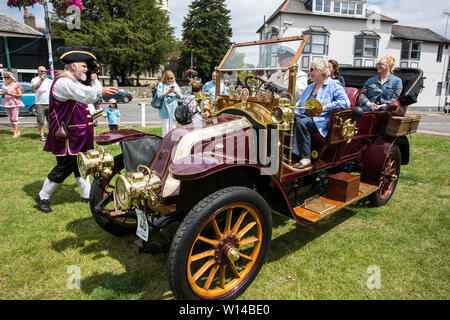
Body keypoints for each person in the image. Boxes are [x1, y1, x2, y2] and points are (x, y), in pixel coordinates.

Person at [35, 46, 118, 213]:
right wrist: (99, 89)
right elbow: (85, 95)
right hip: (67, 135)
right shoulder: (64, 82)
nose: (86, 70)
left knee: (80, 165)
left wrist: (94, 82)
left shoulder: (71, 81)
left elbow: (85, 94)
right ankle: (43, 196)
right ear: (73, 66)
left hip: (77, 133)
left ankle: (87, 194)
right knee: (64, 167)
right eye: (84, 66)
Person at [289, 59, 350, 171]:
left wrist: (327, 106)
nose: (309, 72)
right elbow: (301, 105)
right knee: (286, 119)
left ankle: (306, 158)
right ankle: (286, 153)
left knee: (302, 123)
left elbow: (345, 102)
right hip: (305, 116)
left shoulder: (334, 85)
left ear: (321, 71)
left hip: (321, 119)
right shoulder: (310, 87)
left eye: (312, 70)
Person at [157, 70, 182, 137]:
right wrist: (168, 92)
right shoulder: (161, 84)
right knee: (165, 125)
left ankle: (172, 141)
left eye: (171, 78)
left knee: (173, 125)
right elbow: (159, 95)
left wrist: (175, 92)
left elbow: (181, 97)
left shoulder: (175, 84)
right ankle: (164, 141)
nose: (170, 80)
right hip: (164, 106)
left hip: (173, 105)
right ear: (165, 78)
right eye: (168, 78)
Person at [31, 66, 53, 141]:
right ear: (38, 72)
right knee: (40, 120)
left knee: (50, 120)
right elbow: (35, 87)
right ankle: (42, 135)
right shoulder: (35, 79)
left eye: (44, 71)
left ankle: (50, 135)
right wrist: (41, 80)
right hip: (40, 103)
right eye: (41, 71)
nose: (43, 73)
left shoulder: (50, 80)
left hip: (49, 103)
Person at [1, 71, 24, 138]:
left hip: (14, 102)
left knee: (14, 118)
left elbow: (20, 95)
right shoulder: (4, 86)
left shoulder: (16, 85)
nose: (6, 79)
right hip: (7, 103)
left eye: (7, 77)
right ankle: (17, 130)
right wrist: (3, 94)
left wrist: (11, 94)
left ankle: (16, 132)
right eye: (4, 77)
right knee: (11, 118)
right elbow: (2, 97)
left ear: (11, 77)